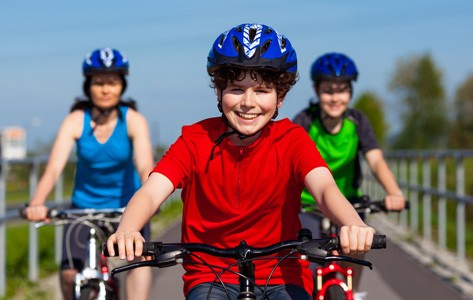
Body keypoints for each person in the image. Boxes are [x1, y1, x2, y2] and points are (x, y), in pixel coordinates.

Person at [107, 24, 377, 300]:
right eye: (236, 89)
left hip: (282, 275)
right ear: (219, 92)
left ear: (280, 97)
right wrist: (128, 228)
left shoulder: (292, 139)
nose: (248, 102)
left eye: (261, 90)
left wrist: (352, 224)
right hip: (210, 276)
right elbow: (152, 192)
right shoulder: (194, 139)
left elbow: (324, 189)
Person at [24, 47, 154, 300]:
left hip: (127, 207)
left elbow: (145, 167)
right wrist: (37, 202)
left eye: (113, 82)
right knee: (69, 273)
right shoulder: (75, 120)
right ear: (88, 86)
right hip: (83, 208)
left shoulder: (134, 120)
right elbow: (53, 168)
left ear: (122, 86)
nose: (106, 89)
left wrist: (151, 198)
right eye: (99, 83)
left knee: (141, 261)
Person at [293, 52, 406, 297]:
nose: (335, 98)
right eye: (328, 90)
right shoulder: (304, 121)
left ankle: (351, 293)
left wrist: (394, 192)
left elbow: (375, 159)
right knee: (307, 265)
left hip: (350, 204)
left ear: (350, 92)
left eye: (342, 90)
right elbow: (287, 162)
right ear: (316, 90)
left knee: (355, 252)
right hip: (308, 205)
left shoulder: (357, 121)